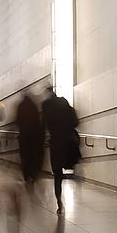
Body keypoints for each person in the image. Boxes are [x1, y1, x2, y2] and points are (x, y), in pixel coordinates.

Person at [41, 86, 80, 214]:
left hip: (56, 143)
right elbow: (75, 122)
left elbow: (43, 125)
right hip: (67, 142)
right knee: (63, 168)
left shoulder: (46, 105)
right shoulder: (64, 102)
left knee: (57, 174)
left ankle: (59, 201)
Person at [16, 91, 44, 183]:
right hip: (34, 136)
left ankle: (26, 175)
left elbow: (18, 121)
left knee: (24, 156)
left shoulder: (20, 106)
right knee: (33, 155)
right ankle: (33, 174)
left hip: (24, 136)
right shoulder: (34, 106)